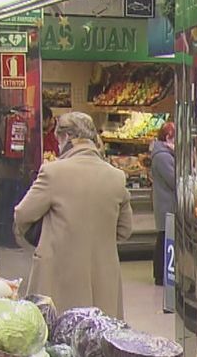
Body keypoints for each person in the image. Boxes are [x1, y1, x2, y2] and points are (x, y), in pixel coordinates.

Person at [14, 112, 133, 318]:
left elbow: (22, 214)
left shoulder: (53, 173)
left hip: (59, 276)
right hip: (104, 279)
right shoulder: (116, 176)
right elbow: (124, 230)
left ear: (66, 137)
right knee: (98, 341)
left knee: (60, 342)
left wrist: (44, 237)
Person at [150, 121, 177, 286]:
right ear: (168, 137)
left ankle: (162, 273)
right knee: (163, 239)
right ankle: (160, 274)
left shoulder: (162, 154)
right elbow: (173, 180)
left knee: (164, 237)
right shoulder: (163, 156)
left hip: (164, 202)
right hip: (166, 203)